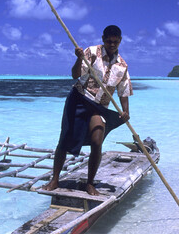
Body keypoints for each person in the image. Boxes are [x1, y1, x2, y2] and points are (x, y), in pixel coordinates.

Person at [44, 25, 132, 195]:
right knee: (65, 138)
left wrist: (125, 111)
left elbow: (124, 91)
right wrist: (78, 58)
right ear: (103, 39)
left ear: (120, 41)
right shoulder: (91, 52)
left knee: (97, 140)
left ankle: (90, 183)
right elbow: (75, 75)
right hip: (79, 99)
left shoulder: (122, 65)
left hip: (99, 107)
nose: (112, 44)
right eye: (108, 41)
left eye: (115, 41)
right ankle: (55, 179)